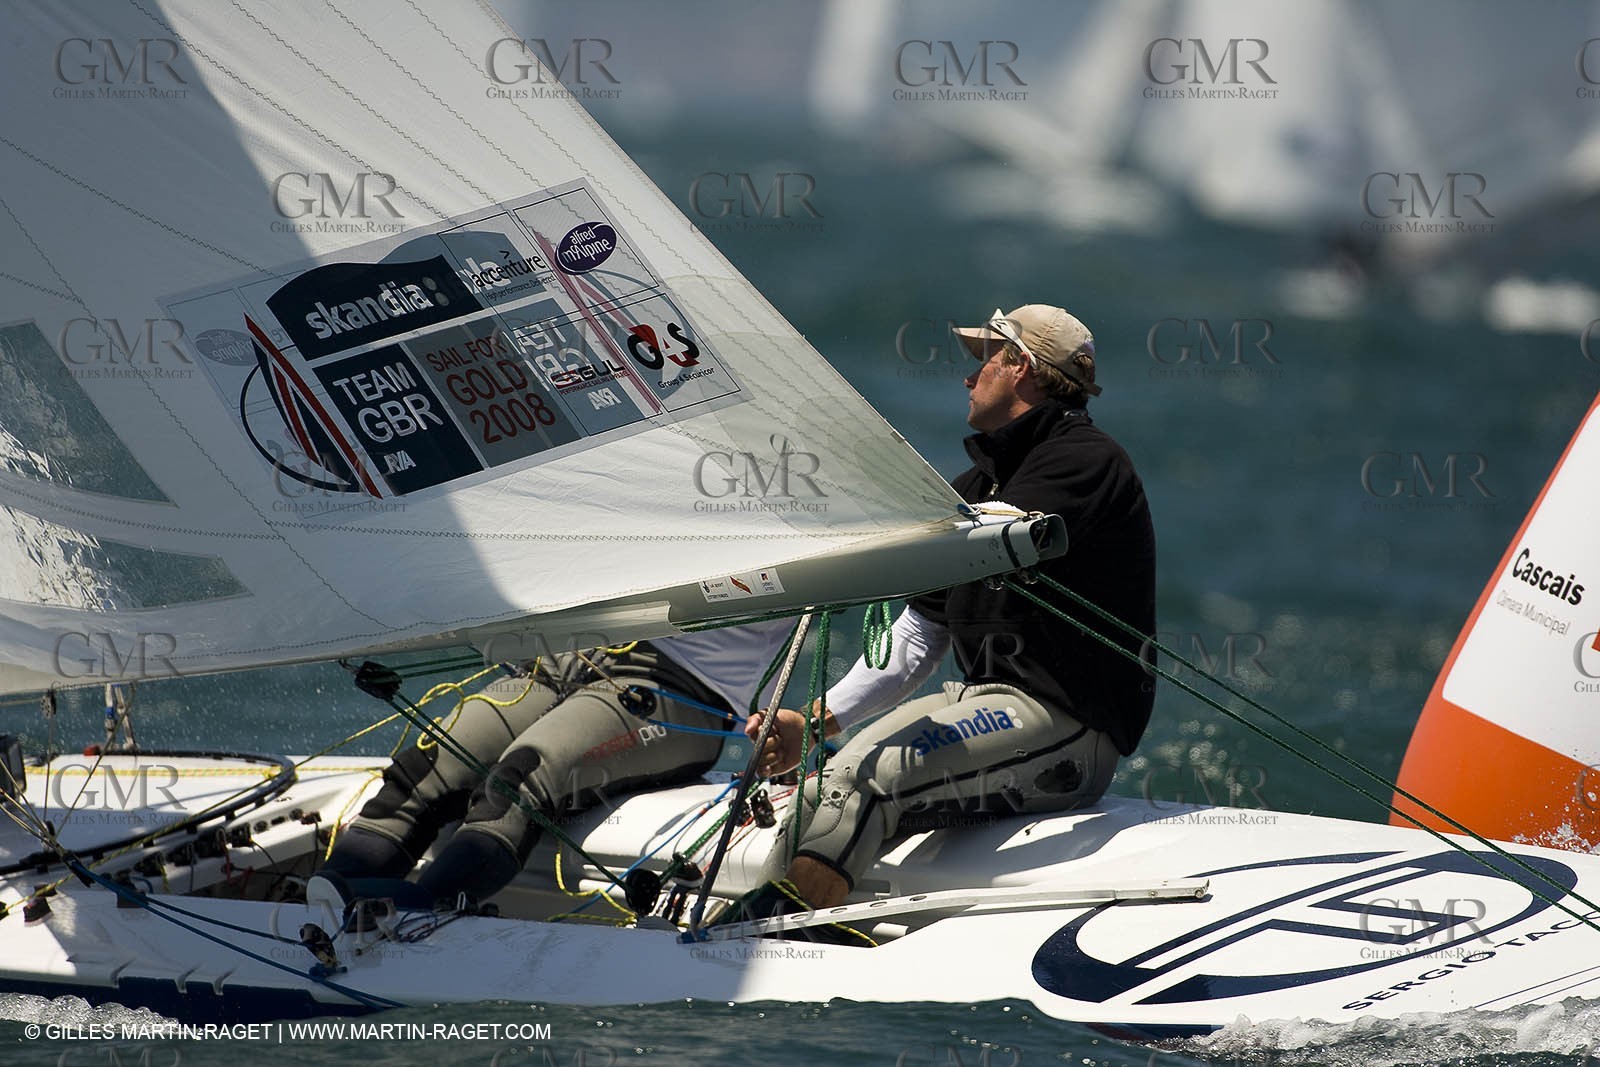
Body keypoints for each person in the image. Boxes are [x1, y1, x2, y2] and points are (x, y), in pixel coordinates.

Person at [740, 304, 1157, 928]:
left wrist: (890, 535)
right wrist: (819, 722)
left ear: (1020, 367)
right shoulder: (980, 485)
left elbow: (999, 533)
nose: (969, 377)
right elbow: (914, 638)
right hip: (984, 705)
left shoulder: (1086, 461)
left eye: (984, 358)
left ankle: (776, 933)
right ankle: (772, 919)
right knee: (825, 782)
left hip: (1065, 727)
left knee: (867, 776)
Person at [309, 623, 792, 914]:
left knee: (518, 780)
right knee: (422, 769)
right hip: (562, 662)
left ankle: (417, 912)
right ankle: (322, 897)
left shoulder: (782, 489)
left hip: (676, 690)